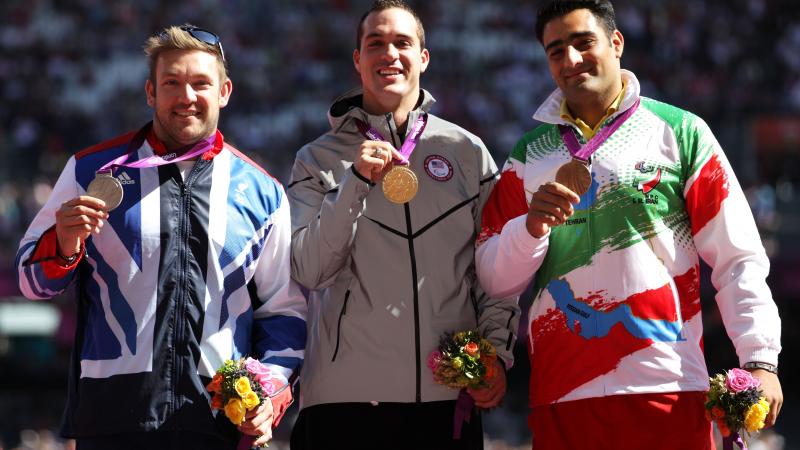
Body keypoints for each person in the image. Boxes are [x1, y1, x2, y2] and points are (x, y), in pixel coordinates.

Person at [475, 1, 783, 449]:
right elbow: (493, 278)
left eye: (584, 43)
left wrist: (760, 359)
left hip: (666, 385)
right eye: (556, 50)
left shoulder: (679, 131)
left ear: (616, 43)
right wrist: (531, 228)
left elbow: (738, 255)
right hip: (562, 393)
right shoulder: (527, 155)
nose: (571, 60)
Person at [15, 24, 306, 450]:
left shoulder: (263, 192)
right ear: (151, 92)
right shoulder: (90, 170)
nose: (186, 96)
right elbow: (30, 281)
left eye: (200, 83)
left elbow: (285, 312)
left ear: (225, 91)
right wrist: (64, 242)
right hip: (111, 419)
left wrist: (272, 391)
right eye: (172, 83)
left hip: (218, 421)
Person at [286, 1, 519, 449]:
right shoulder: (315, 158)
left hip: (445, 400)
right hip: (342, 404)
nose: (389, 53)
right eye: (375, 43)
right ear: (357, 60)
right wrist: (354, 182)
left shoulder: (468, 153)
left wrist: (495, 355)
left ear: (423, 58)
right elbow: (309, 269)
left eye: (402, 43)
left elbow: (495, 272)